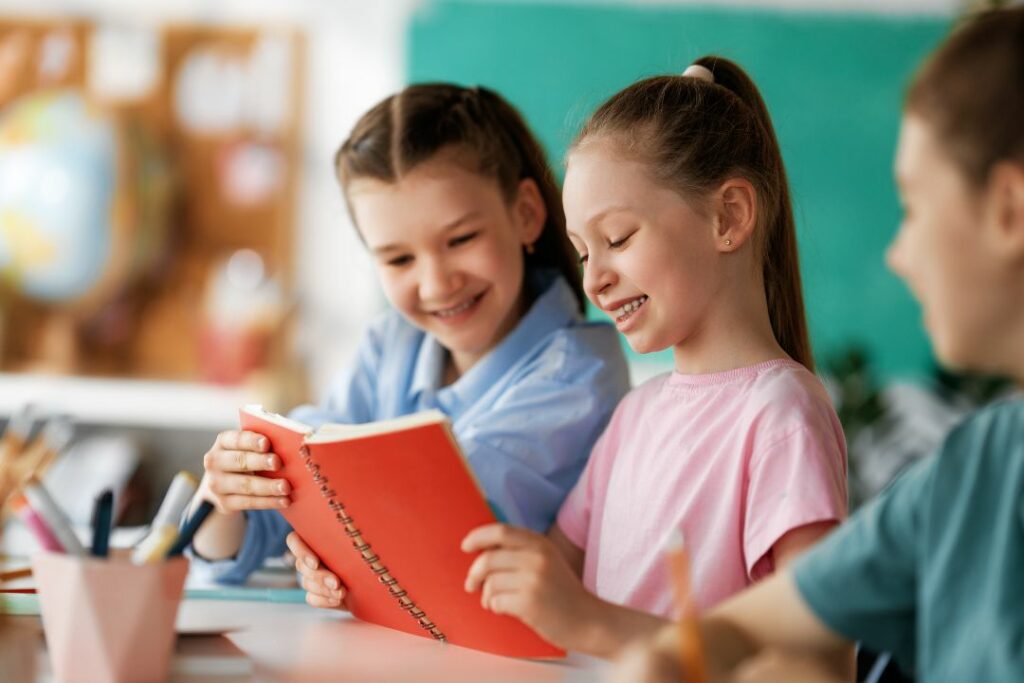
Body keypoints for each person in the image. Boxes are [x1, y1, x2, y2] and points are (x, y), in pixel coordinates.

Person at [612, 7, 1024, 682]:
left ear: (1009, 210)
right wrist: (675, 656)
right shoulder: (970, 469)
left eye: (915, 207)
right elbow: (752, 626)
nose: (899, 254)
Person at [457, 56, 847, 658]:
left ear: (728, 216)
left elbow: (816, 664)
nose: (594, 281)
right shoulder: (636, 416)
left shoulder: (779, 417)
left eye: (618, 239)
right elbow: (546, 587)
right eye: (584, 253)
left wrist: (592, 625)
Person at [191, 83, 631, 589]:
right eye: (399, 259)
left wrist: (330, 543)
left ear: (526, 214)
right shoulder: (391, 344)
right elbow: (244, 538)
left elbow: (444, 530)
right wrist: (228, 497)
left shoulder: (580, 371)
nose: (437, 283)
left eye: (461, 239)